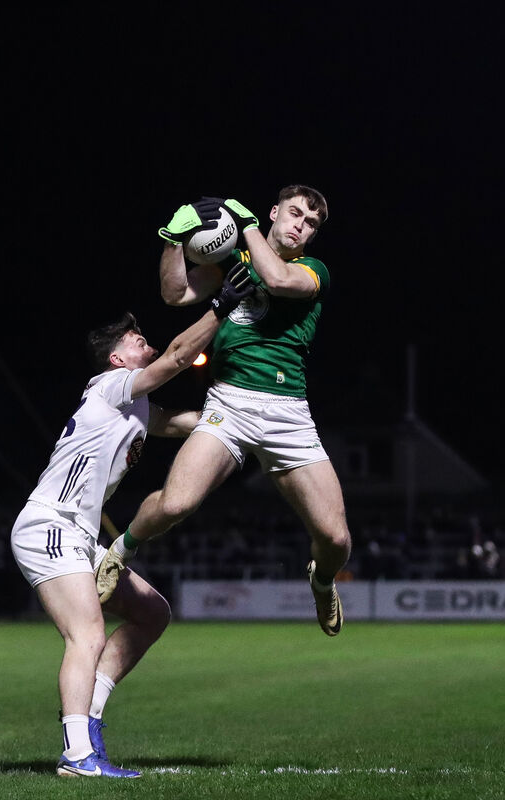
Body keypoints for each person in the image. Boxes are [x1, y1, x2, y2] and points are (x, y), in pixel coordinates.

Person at [10, 264, 254, 779]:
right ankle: (77, 754)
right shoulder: (113, 383)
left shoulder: (135, 404)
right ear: (118, 357)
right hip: (49, 525)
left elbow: (184, 423)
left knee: (153, 613)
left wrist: (248, 412)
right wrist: (220, 306)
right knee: (87, 633)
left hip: (75, 534)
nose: (147, 342)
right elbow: (177, 358)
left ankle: (88, 718)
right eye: (136, 338)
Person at [96, 186, 352, 636]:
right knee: (176, 503)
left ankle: (323, 579)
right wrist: (173, 240)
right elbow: (175, 293)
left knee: (335, 540)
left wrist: (248, 226)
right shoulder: (233, 266)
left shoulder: (314, 271)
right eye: (294, 214)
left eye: (310, 223)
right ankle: (120, 550)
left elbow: (274, 280)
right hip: (230, 404)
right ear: (275, 212)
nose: (300, 226)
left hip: (287, 413)